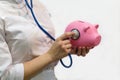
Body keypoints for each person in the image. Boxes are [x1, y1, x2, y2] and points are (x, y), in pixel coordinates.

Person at [0, 0, 90, 80]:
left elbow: (41, 53)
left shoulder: (37, 5)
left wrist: (65, 49)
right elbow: (4, 76)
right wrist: (50, 56)